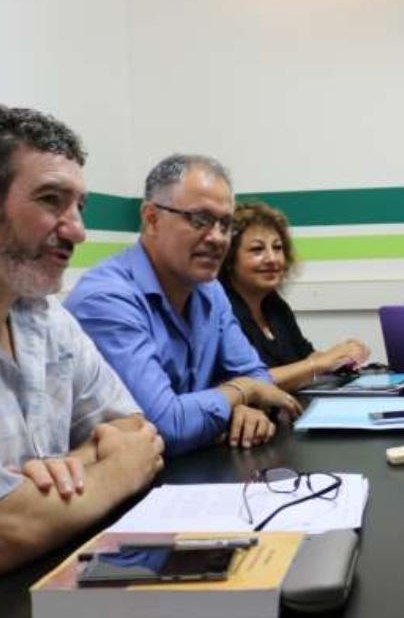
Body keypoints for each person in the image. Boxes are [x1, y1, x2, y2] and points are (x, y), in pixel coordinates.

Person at [0, 106, 164, 574]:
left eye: (79, 206)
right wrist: (113, 471)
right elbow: (6, 531)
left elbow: (137, 430)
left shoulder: (47, 317)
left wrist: (71, 464)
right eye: (51, 199)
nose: (77, 230)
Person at [66, 154, 301, 457]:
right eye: (200, 219)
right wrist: (243, 393)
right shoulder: (107, 300)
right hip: (118, 492)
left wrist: (246, 407)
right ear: (152, 219)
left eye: (225, 224)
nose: (217, 238)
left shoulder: (210, 290)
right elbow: (164, 426)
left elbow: (257, 374)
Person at [220, 201, 370, 393]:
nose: (272, 258)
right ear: (229, 259)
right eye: (257, 250)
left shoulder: (275, 306)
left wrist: (344, 355)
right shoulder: (222, 310)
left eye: (277, 248)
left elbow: (306, 358)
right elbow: (246, 383)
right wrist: (320, 363)